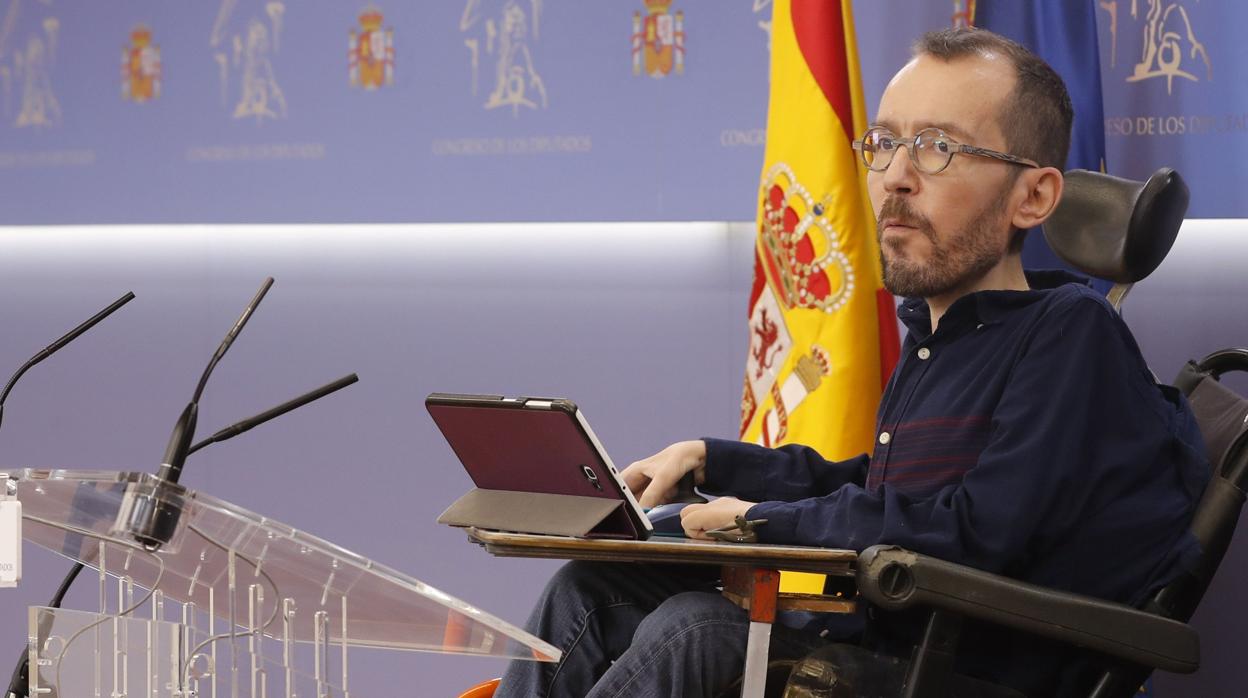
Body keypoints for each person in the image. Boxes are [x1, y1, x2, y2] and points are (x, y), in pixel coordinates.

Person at [496, 27, 1208, 698]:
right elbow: (886, 490)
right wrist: (711, 461)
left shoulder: (1070, 335)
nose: (895, 177)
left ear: (1035, 195)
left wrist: (761, 521)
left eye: (936, 148)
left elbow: (974, 533)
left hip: (965, 670)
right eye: (885, 144)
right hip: (885, 634)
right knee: (590, 585)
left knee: (700, 631)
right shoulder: (942, 336)